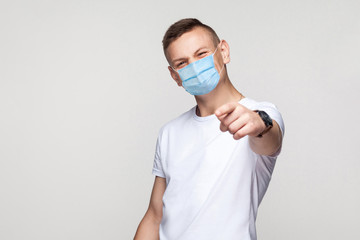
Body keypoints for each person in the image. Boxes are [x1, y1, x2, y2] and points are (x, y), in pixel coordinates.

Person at [134, 18, 285, 240]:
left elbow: (270, 140)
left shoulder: (260, 113)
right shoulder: (169, 133)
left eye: (201, 54)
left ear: (223, 51)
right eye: (182, 63)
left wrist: (258, 124)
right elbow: (155, 215)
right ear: (175, 76)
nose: (194, 66)